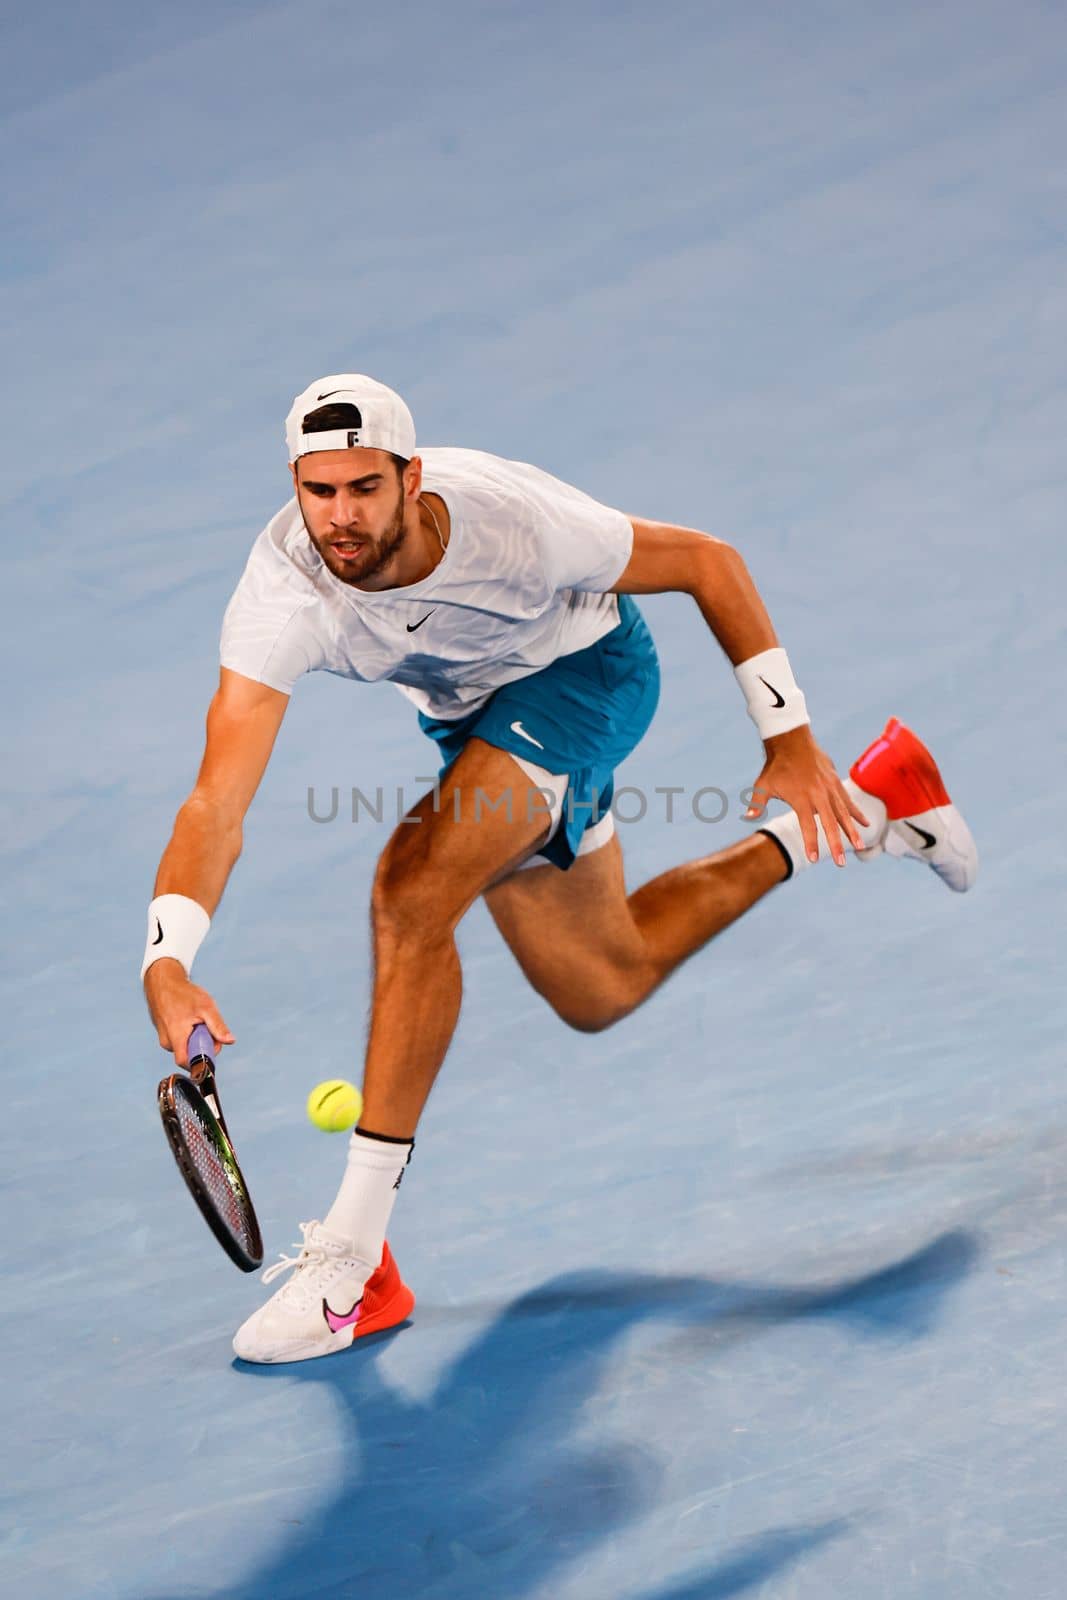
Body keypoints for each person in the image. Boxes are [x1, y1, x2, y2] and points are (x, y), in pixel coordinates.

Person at [142, 373, 977, 1364]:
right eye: (317, 491)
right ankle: (877, 806)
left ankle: (356, 1262)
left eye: (364, 486)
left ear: (410, 477)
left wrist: (787, 738)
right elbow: (215, 799)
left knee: (411, 891)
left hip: (589, 678)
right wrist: (169, 955)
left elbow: (709, 562)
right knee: (601, 980)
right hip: (474, 725)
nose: (339, 516)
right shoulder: (283, 588)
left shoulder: (514, 521)